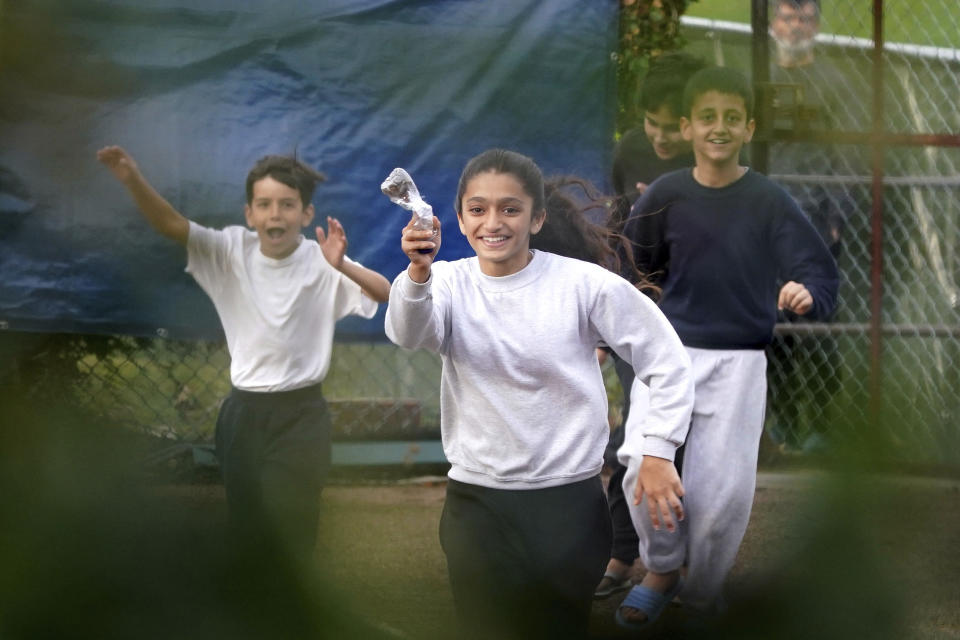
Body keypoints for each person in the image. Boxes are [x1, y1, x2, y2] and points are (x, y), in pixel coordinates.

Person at [384, 149, 694, 640]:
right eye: (478, 209)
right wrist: (418, 273)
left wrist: (658, 449)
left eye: (510, 208)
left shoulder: (583, 285)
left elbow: (668, 360)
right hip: (476, 503)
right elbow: (408, 331)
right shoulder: (445, 283)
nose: (494, 222)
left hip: (567, 504)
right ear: (460, 219)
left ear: (538, 217)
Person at [616, 67, 839, 629]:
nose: (720, 128)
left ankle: (702, 592)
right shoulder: (666, 194)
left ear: (749, 128)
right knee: (638, 468)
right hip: (668, 358)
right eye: (708, 117)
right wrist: (614, 330)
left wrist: (806, 290)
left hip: (739, 361)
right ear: (688, 127)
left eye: (732, 118)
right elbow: (628, 270)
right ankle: (662, 570)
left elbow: (816, 266)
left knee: (722, 493)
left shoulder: (767, 199)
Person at [96, 146, 391, 557]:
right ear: (249, 214)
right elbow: (170, 224)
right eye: (264, 205)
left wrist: (341, 265)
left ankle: (293, 607)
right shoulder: (229, 251)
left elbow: (383, 291)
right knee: (248, 528)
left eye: (288, 205)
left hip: (302, 417)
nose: (276, 214)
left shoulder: (322, 260)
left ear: (306, 215)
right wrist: (132, 179)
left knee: (291, 522)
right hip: (242, 416)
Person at [600, 51, 706, 601]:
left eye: (674, 126)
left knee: (685, 441)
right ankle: (624, 551)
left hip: (699, 319)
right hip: (638, 315)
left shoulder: (716, 160)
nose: (661, 138)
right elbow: (617, 233)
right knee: (633, 438)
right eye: (653, 124)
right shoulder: (630, 152)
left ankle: (680, 564)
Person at [766, 0, 858, 451]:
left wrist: (837, 218)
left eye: (805, 17)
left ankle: (820, 427)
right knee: (772, 329)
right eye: (787, 16)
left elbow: (848, 156)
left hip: (816, 225)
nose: (796, 25)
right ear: (772, 22)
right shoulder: (758, 79)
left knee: (820, 329)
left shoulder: (835, 85)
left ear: (817, 24)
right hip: (765, 225)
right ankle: (783, 425)